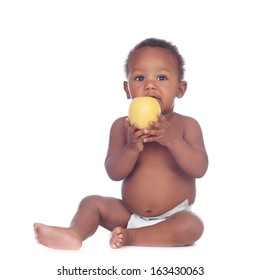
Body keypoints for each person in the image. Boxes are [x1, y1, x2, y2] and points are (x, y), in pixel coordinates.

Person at [34, 38, 208, 250]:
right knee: (92, 203)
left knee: (192, 226)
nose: (150, 85)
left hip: (174, 216)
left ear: (180, 89)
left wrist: (172, 140)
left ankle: (132, 237)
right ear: (127, 89)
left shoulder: (187, 125)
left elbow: (199, 168)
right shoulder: (122, 126)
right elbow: (114, 172)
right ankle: (75, 233)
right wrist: (132, 148)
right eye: (140, 77)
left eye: (161, 77)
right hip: (129, 214)